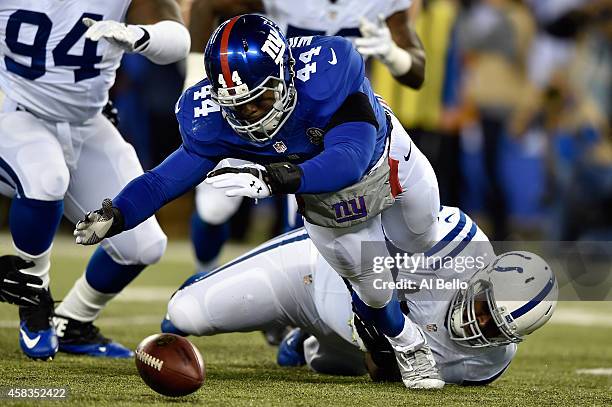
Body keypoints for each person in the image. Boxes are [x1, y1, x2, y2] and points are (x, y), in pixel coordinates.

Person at [74, 14, 442, 389]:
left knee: (424, 235)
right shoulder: (212, 117)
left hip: (386, 159)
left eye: (259, 99)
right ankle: (407, 342)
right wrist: (117, 212)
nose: (249, 114)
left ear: (286, 75)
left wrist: (273, 178)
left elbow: (351, 158)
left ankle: (355, 318)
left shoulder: (326, 75)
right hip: (324, 197)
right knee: (375, 288)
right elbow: (162, 180)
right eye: (236, 106)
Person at [163, 206, 558, 384]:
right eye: (484, 308)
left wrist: (381, 351)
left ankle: (301, 339)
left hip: (360, 341)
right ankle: (282, 317)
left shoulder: (487, 363)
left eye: (495, 329)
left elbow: (388, 373)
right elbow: (367, 249)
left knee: (320, 364)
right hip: (321, 272)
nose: (480, 324)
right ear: (482, 277)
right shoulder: (453, 243)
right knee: (186, 316)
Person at [0, 0, 189, 360]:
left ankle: (72, 322)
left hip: (86, 123)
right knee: (46, 175)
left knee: (143, 245)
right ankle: (34, 296)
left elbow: (177, 36)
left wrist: (139, 35)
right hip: (13, 111)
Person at [186, 0, 427, 273]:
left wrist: (393, 54)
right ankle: (204, 271)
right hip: (258, 108)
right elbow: (206, 6)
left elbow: (416, 73)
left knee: (316, 214)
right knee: (214, 207)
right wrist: (194, 84)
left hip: (333, 123)